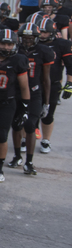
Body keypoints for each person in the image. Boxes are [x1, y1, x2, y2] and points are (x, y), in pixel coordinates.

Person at [8, 23, 54, 175]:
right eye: (24, 38)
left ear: (36, 38)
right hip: (16, 92)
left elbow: (46, 79)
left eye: (30, 38)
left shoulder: (43, 51)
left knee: (30, 125)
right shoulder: (15, 49)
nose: (27, 41)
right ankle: (16, 156)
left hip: (34, 93)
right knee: (16, 125)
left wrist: (46, 102)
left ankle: (29, 161)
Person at [0, 30, 30, 182]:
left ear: (15, 45)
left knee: (1, 136)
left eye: (9, 44)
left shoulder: (19, 60)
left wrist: (25, 107)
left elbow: (24, 87)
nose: (6, 47)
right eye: (3, 43)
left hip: (6, 103)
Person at [35, 18, 72, 153]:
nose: (42, 35)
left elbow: (70, 65)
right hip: (34, 82)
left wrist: (69, 83)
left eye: (45, 32)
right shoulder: (32, 43)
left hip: (53, 84)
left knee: (48, 114)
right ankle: (25, 138)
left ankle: (46, 140)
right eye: (41, 32)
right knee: (30, 113)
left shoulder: (62, 44)